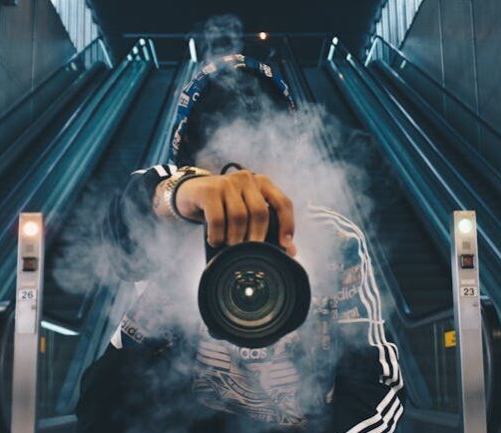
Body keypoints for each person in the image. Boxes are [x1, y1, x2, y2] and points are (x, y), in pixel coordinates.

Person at [76, 53, 404, 433]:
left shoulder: (335, 238)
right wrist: (179, 196)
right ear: (191, 165)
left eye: (262, 160)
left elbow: (378, 387)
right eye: (224, 167)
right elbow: (124, 229)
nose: (245, 185)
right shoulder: (173, 214)